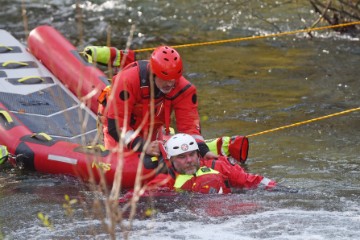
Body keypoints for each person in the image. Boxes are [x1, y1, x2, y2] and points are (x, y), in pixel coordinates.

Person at [102, 45, 217, 159]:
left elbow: (189, 127)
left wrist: (203, 151)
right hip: (118, 124)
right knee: (122, 160)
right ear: (153, 74)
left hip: (150, 126)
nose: (170, 84)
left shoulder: (184, 89)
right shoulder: (127, 81)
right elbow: (116, 126)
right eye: (165, 79)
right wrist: (142, 146)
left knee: (156, 155)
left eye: (174, 78)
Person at [143, 133, 277, 194]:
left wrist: (279, 188)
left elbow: (252, 181)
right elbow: (138, 197)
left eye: (191, 155)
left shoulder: (219, 165)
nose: (189, 160)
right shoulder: (164, 181)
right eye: (182, 157)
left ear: (198, 154)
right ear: (171, 160)